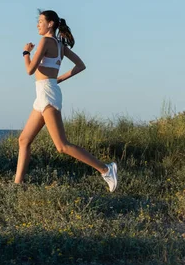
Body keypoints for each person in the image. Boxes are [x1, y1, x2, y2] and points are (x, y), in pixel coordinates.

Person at [15, 10, 118, 192]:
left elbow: (30, 70)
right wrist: (57, 80)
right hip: (45, 93)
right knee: (23, 140)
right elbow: (81, 66)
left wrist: (25, 52)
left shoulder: (46, 41)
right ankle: (17, 186)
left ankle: (106, 169)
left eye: (40, 21)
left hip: (47, 94)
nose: (38, 25)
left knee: (62, 146)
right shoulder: (60, 45)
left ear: (51, 24)